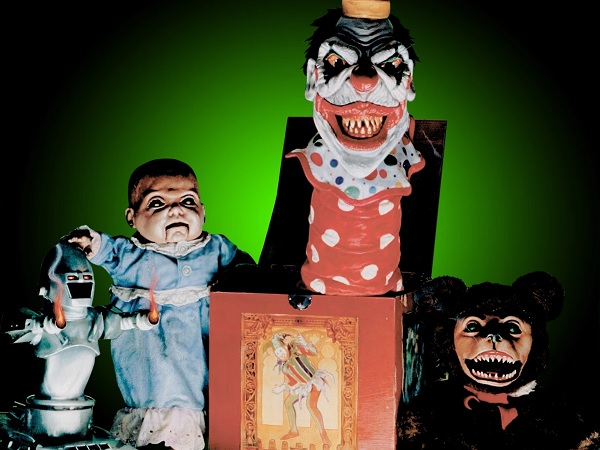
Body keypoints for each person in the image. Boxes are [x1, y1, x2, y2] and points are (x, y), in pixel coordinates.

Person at [67, 158, 255, 450]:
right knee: (161, 403)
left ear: (203, 212)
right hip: (154, 360)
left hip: (204, 356)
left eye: (188, 201)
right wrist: (91, 242)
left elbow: (246, 269)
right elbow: (108, 250)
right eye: (157, 204)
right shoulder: (132, 256)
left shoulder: (216, 249)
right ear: (132, 217)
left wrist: (246, 277)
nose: (176, 210)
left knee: (215, 401)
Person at [271, 332, 333, 446]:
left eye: (281, 351)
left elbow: (314, 352)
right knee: (288, 402)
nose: (280, 355)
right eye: (277, 354)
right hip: (302, 385)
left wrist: (305, 343)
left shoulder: (297, 351)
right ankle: (293, 430)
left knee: (311, 406)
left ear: (285, 347)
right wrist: (282, 388)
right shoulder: (285, 367)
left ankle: (323, 434)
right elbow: (293, 381)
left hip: (314, 382)